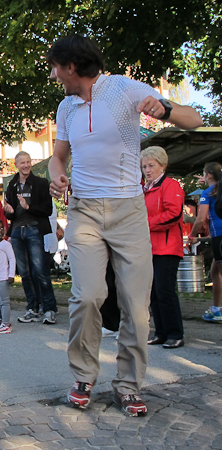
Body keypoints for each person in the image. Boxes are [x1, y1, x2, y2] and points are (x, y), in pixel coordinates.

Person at [47, 35, 203, 415]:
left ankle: (129, 384)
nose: (53, 75)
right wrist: (56, 177)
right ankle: (83, 376)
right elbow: (58, 157)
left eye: (55, 67)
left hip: (128, 211)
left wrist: (165, 108)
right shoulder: (65, 108)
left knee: (135, 304)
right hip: (84, 210)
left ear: (71, 66)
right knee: (88, 295)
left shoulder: (121, 88)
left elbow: (195, 119)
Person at [3, 151, 57, 325]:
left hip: (34, 229)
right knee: (24, 273)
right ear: (16, 165)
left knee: (40, 271)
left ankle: (49, 309)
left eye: (28, 162)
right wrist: (8, 212)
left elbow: (47, 209)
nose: (26, 165)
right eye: (23, 163)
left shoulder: (41, 183)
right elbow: (10, 214)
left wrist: (28, 207)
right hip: (17, 231)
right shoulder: (12, 185)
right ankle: (32, 308)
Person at [142, 146, 185, 349]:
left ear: (162, 165)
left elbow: (174, 214)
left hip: (167, 247)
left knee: (165, 290)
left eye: (151, 165)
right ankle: (161, 332)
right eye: (144, 167)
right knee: (153, 293)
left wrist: (147, 223)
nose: (147, 170)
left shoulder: (171, 185)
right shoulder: (146, 189)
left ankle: (175, 333)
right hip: (150, 247)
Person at [188, 162, 222, 323]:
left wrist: (191, 236)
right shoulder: (218, 189)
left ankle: (217, 310)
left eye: (204, 174)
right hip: (217, 237)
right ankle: (216, 309)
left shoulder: (207, 193)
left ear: (208, 175)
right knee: (215, 272)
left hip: (219, 237)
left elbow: (201, 219)